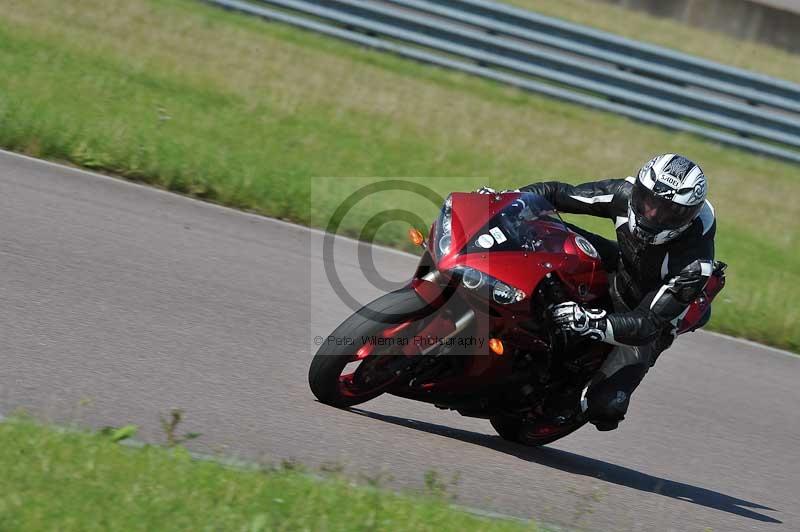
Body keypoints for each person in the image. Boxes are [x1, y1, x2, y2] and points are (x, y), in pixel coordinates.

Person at [519, 154, 717, 431]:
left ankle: (567, 399)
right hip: (620, 266)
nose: (652, 215)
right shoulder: (622, 194)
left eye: (668, 212)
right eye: (648, 202)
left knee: (605, 409)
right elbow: (557, 193)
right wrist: (510, 200)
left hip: (645, 317)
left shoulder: (695, 264)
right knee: (540, 229)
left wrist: (592, 323)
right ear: (638, 191)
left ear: (689, 216)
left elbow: (648, 324)